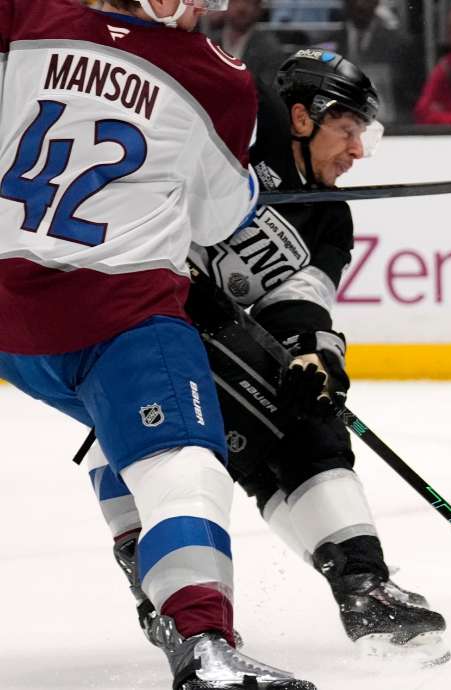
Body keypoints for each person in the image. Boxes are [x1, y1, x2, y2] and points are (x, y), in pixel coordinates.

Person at [82, 49, 450, 665]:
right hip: (140, 313)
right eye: (349, 129)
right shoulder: (236, 128)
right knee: (150, 428)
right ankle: (146, 559)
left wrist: (315, 356)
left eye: (364, 134)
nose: (358, 151)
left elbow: (302, 295)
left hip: (221, 335)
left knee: (305, 417)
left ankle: (363, 585)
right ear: (303, 117)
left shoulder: (329, 218)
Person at [0, 1, 313, 688]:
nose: (204, 6)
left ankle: (135, 543)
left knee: (122, 432)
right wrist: (251, 189)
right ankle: (202, 641)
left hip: (12, 324)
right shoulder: (217, 78)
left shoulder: (25, 17)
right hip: (118, 314)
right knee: (183, 467)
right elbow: (215, 217)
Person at [318, 0, 422, 125]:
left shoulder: (400, 44)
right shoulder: (327, 47)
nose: (360, 4)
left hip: (390, 129)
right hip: (340, 127)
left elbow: (410, 98)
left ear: (376, 2)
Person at [209, 0, 286, 88]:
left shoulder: (270, 50)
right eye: (236, 1)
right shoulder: (209, 43)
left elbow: (269, 96)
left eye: (249, 2)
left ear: (259, 9)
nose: (242, 7)